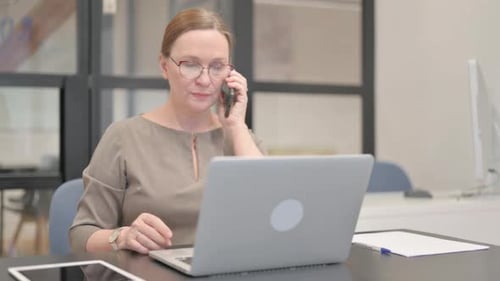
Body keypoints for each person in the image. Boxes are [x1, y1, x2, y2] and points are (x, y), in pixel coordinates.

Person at [69, 8, 265, 254]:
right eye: (190, 65)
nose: (205, 80)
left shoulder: (242, 139)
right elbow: (81, 234)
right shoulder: (124, 137)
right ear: (164, 66)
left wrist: (236, 126)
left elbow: (268, 216)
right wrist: (122, 237)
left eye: (217, 66)